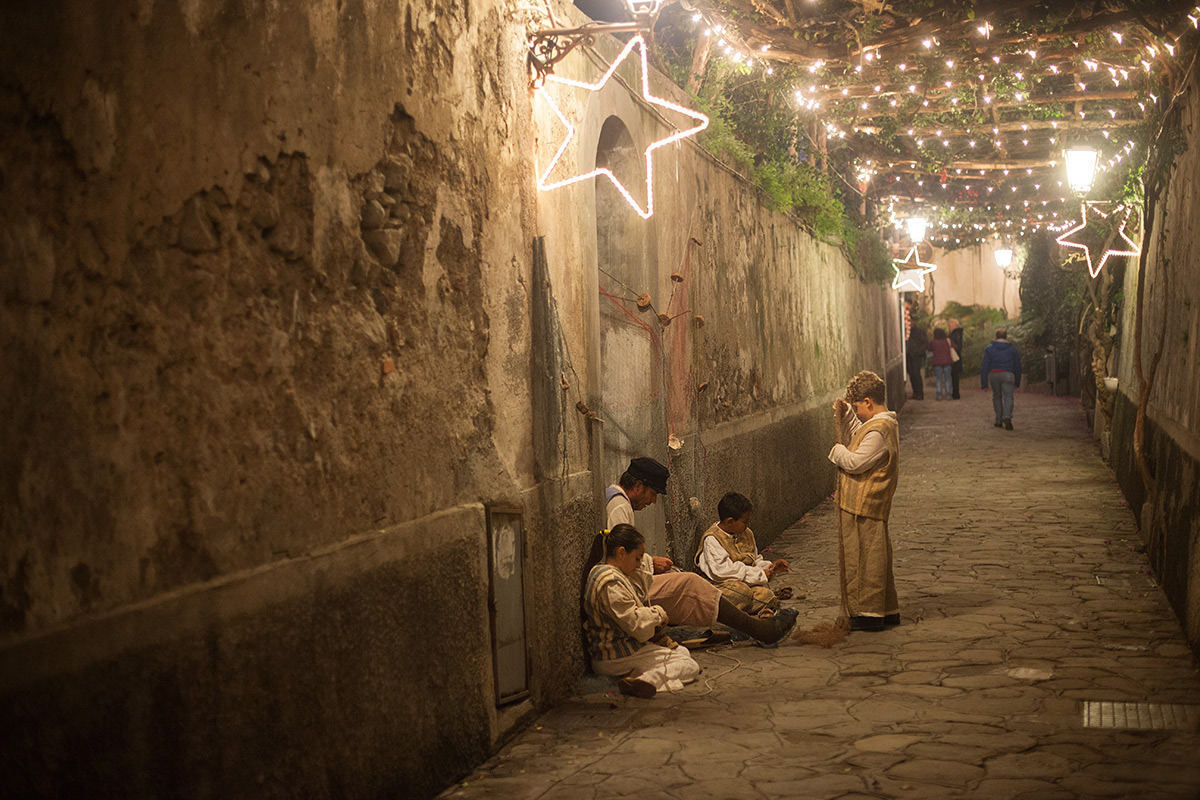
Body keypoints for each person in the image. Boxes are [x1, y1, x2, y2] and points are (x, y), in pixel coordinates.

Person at [604, 458, 798, 645]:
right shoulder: (619, 506)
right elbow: (620, 560)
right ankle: (759, 630)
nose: (653, 501)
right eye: (652, 494)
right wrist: (649, 563)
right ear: (638, 486)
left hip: (624, 581)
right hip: (620, 587)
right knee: (691, 583)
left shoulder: (618, 502)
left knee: (680, 576)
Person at [583, 524, 701, 698]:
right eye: (637, 558)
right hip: (614, 656)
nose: (639, 565)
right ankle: (647, 680)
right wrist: (658, 614)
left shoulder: (604, 571)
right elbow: (637, 626)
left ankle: (636, 674)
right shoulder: (611, 582)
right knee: (690, 666)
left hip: (623, 650)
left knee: (681, 652)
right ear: (621, 553)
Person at [828, 371, 901, 633]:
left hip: (864, 506)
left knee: (864, 561)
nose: (858, 413)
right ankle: (886, 609)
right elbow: (861, 434)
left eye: (859, 407)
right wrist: (848, 414)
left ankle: (867, 614)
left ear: (869, 402)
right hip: (867, 505)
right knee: (876, 559)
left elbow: (857, 462)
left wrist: (837, 451)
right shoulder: (881, 426)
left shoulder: (880, 431)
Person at [695, 492, 788, 617]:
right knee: (741, 594)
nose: (747, 525)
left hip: (746, 585)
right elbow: (722, 572)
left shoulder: (746, 533)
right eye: (745, 522)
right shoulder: (712, 539)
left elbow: (754, 559)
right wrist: (759, 574)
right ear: (730, 522)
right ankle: (732, 615)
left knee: (767, 595)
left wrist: (769, 567)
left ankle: (743, 611)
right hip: (722, 587)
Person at [980, 328, 1022, 430]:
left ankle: (998, 420)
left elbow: (984, 366)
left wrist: (984, 384)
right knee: (1008, 397)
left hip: (994, 374)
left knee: (997, 396)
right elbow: (1018, 366)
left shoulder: (989, 349)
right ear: (1006, 337)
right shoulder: (1012, 349)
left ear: (996, 337)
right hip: (1008, 373)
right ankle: (1007, 416)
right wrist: (1017, 381)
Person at [928, 328, 954, 401]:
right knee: (947, 379)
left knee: (939, 379)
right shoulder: (947, 340)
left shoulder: (933, 342)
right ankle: (948, 394)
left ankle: (939, 395)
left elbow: (929, 349)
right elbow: (954, 347)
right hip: (947, 362)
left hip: (937, 363)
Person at [905, 322, 928, 400]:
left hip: (916, 356)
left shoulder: (918, 331)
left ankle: (919, 393)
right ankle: (915, 392)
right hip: (909, 355)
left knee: (916, 374)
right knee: (912, 374)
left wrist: (918, 352)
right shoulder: (907, 332)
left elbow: (925, 343)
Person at [948, 319, 964, 400]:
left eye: (950, 323)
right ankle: (955, 392)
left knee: (954, 376)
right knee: (955, 376)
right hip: (956, 358)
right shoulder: (957, 334)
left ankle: (955, 393)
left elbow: (958, 347)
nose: (949, 325)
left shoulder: (955, 334)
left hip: (955, 358)